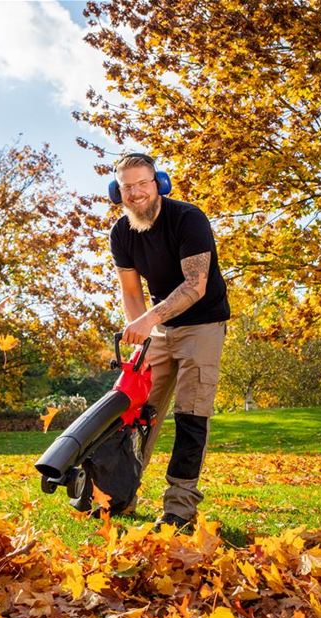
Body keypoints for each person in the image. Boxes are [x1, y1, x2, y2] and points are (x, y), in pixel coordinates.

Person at [109, 152, 230, 529]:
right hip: (160, 327)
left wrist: (149, 319)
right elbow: (131, 292)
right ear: (118, 191)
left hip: (203, 323)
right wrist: (139, 332)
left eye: (143, 183)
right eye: (127, 186)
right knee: (136, 411)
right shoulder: (121, 233)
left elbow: (195, 285)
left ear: (159, 183)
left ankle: (179, 507)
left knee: (190, 414)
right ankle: (119, 493)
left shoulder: (187, 219)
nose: (136, 192)